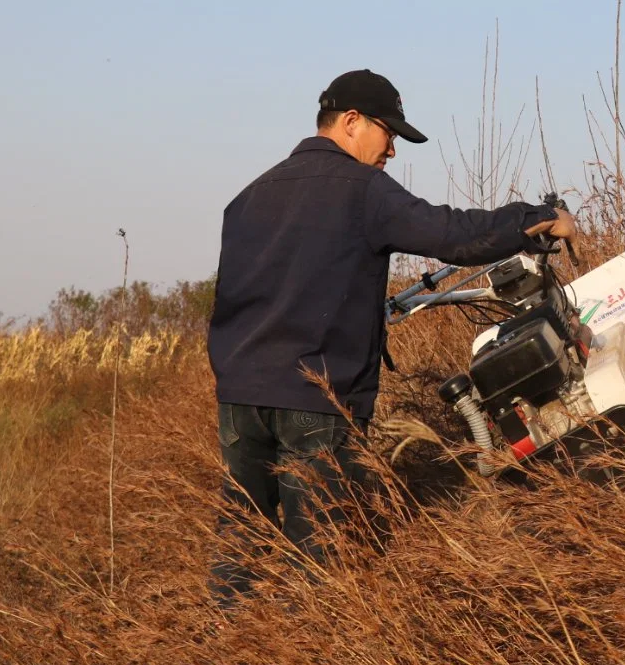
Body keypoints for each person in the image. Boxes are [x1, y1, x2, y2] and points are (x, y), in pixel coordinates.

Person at [207, 69, 576, 603]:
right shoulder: (361, 190)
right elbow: (453, 235)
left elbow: (231, 303)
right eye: (390, 133)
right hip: (315, 398)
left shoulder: (247, 198)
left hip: (239, 400)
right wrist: (538, 219)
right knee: (320, 558)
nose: (393, 151)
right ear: (352, 122)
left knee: (240, 544)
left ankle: (226, 651)